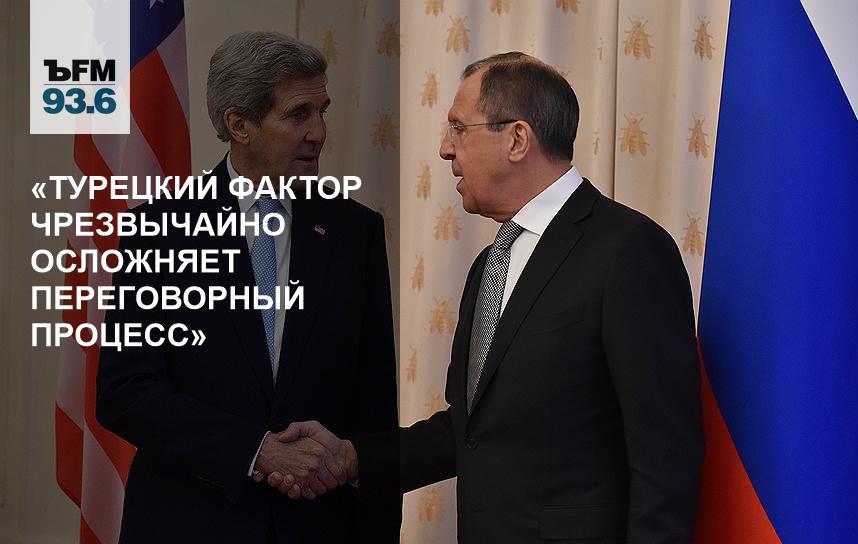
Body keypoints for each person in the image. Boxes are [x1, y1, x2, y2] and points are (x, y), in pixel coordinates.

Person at [270, 52, 704, 543]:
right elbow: (470, 431)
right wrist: (350, 457)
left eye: (459, 128)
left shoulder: (628, 250)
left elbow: (665, 458)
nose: (444, 149)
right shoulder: (491, 263)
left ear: (516, 139)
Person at [96, 31, 400, 543]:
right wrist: (256, 451)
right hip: (189, 524)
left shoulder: (355, 232)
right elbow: (125, 392)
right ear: (240, 124)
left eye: (322, 112)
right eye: (298, 114)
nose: (319, 132)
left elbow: (373, 407)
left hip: (318, 528)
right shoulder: (159, 229)